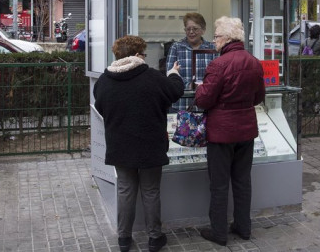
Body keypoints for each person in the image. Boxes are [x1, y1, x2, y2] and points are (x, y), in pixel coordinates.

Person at [94, 35, 184, 252]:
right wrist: (174, 74)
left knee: (125, 190)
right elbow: (174, 91)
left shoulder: (104, 81)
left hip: (120, 145)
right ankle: (154, 238)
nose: (145, 57)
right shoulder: (151, 76)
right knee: (151, 191)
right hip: (150, 144)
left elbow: (101, 107)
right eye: (143, 53)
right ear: (136, 55)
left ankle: (124, 239)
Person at [194, 16, 265, 246]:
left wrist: (200, 88)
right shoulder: (254, 62)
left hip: (221, 133)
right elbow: (258, 97)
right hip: (246, 131)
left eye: (216, 36)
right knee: (243, 181)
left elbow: (204, 100)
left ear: (226, 38)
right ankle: (243, 228)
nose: (214, 41)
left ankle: (219, 232)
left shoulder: (218, 65)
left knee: (219, 184)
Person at [165, 13, 217, 110]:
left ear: (203, 30)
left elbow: (217, 75)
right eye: (188, 29)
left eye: (195, 29)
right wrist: (189, 85)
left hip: (205, 105)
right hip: (181, 105)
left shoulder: (212, 48)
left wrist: (204, 86)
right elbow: (170, 74)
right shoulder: (176, 47)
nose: (191, 32)